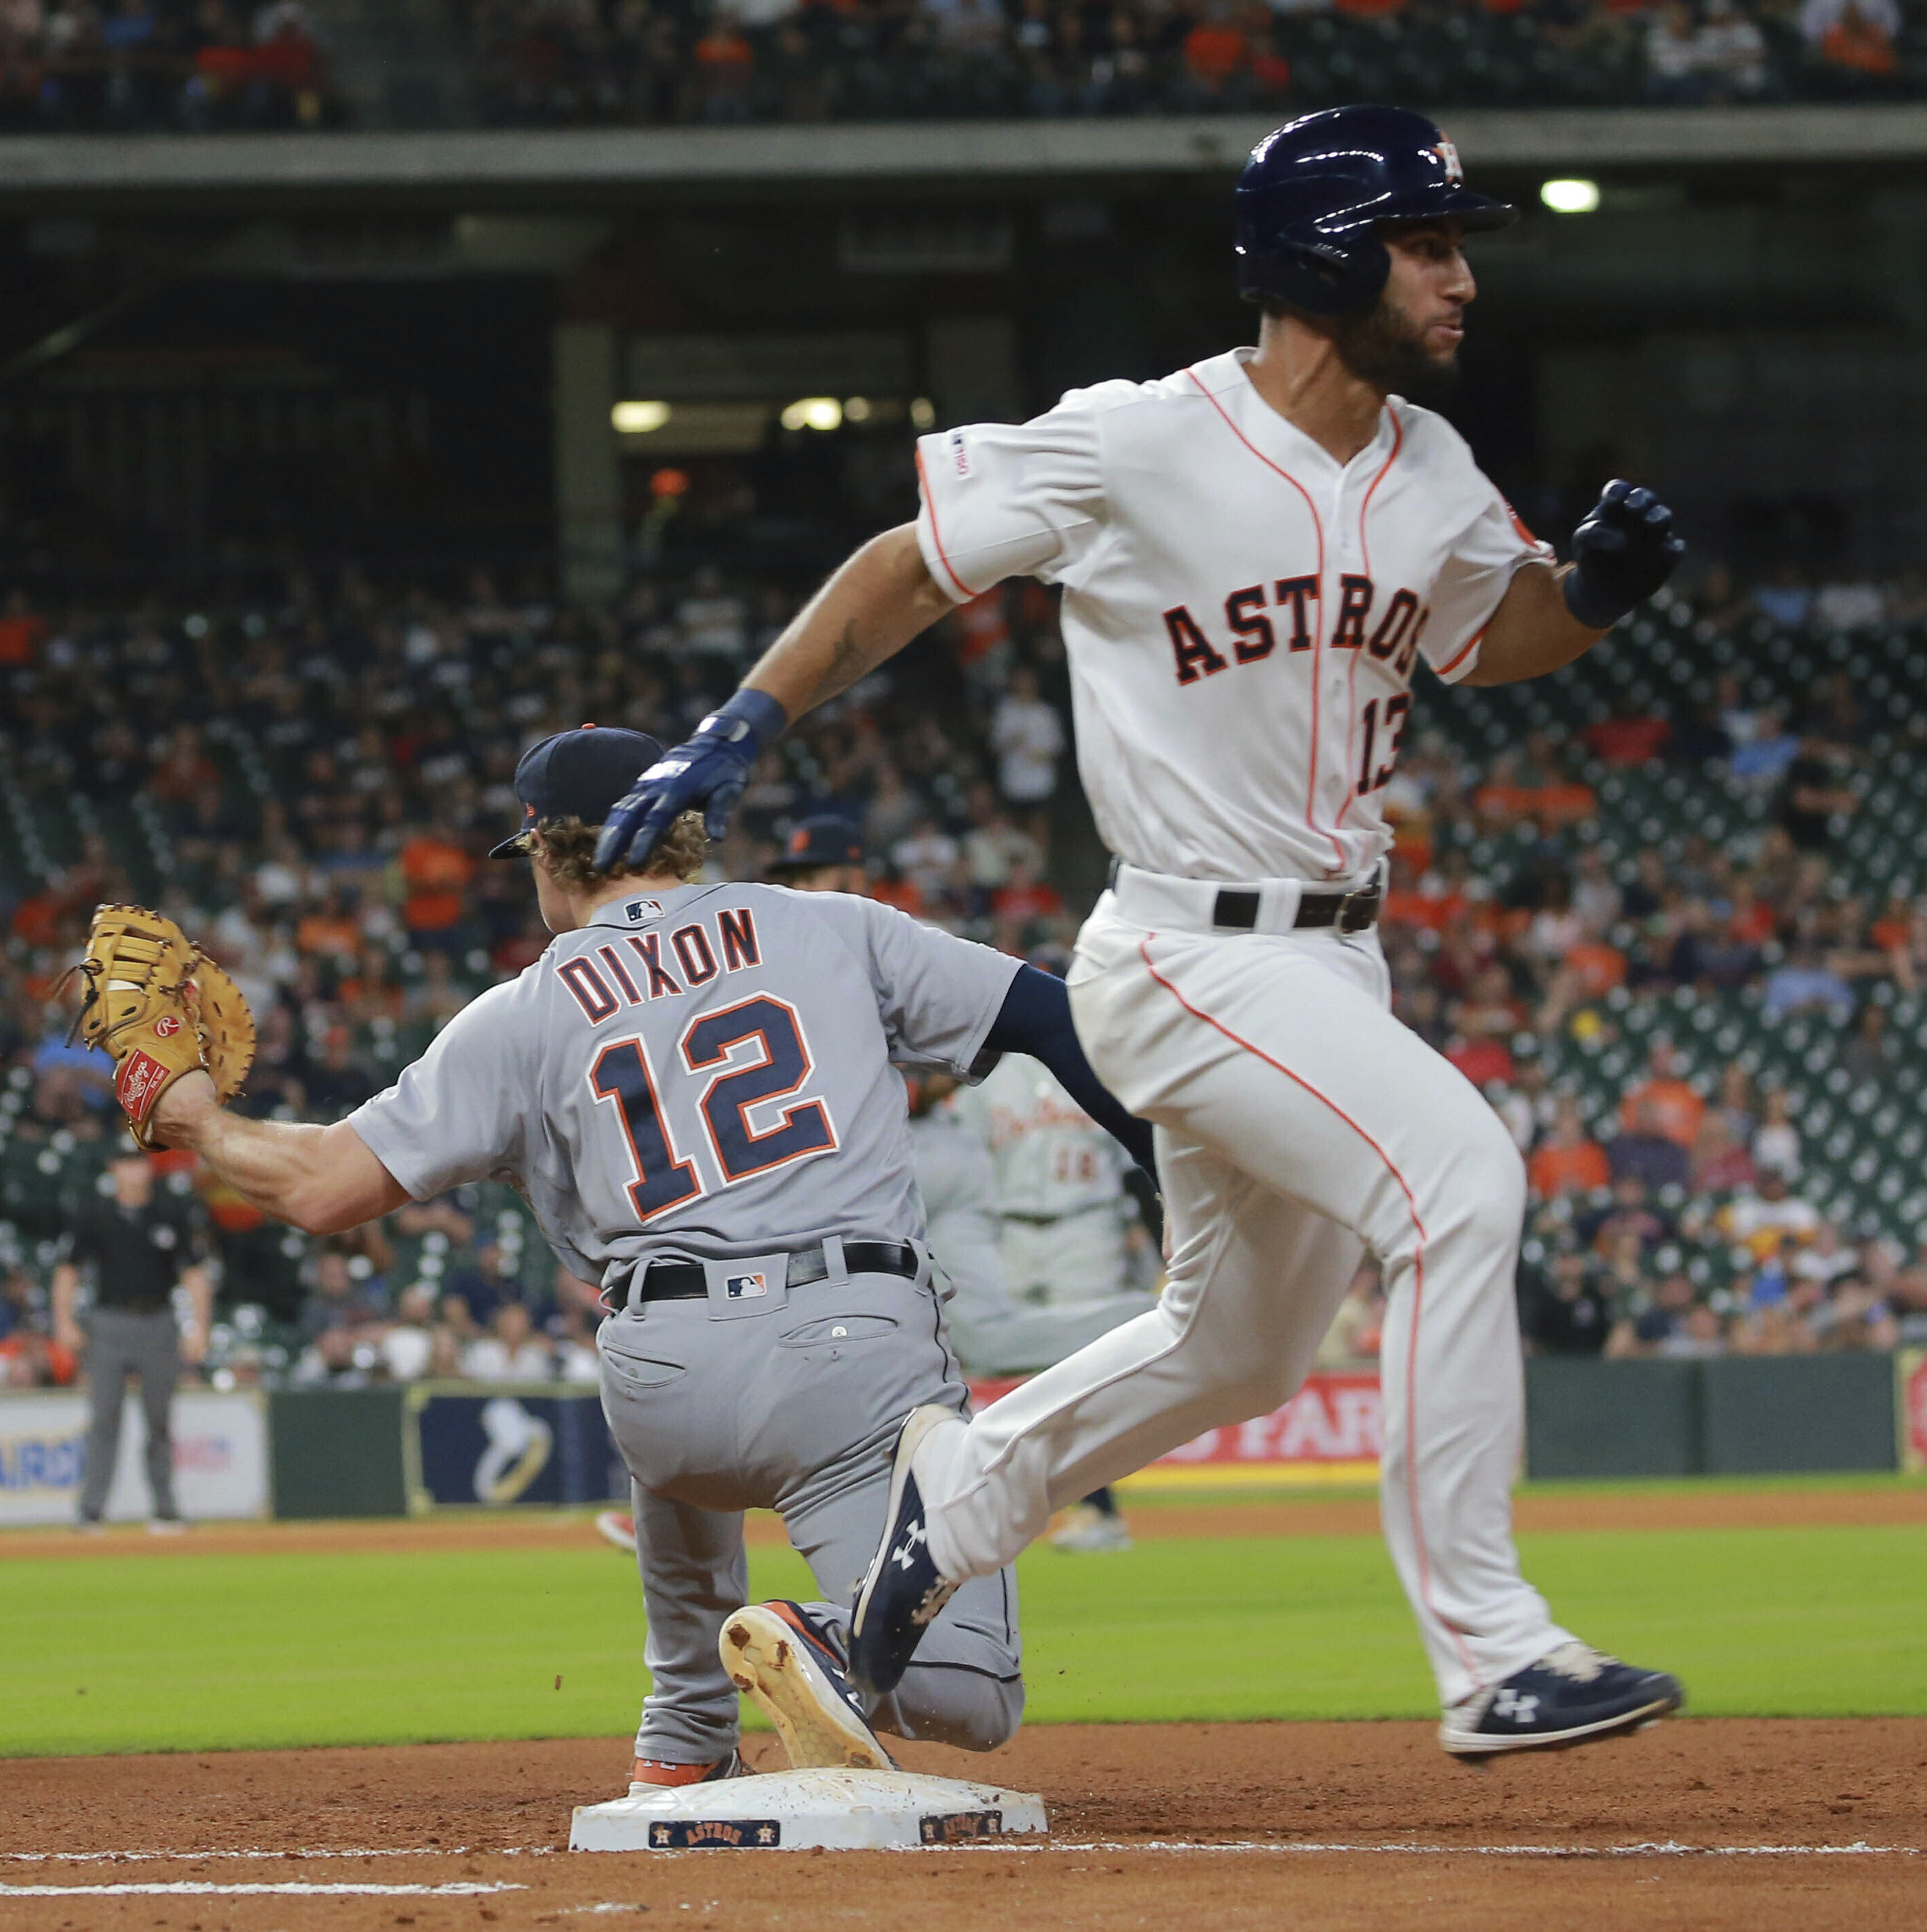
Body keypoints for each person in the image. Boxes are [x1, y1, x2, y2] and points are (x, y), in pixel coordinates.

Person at [596, 107, 1688, 1760]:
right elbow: (913, 562)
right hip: (1185, 950)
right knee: (1458, 1176)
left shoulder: (1433, 468)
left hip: (1330, 956)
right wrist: (739, 723)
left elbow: (1492, 632)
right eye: (1428, 241)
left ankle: (939, 1513)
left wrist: (1588, 596)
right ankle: (1492, 1648)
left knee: (1232, 1347)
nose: (1462, 276)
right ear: (1327, 255)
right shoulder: (1133, 440)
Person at [137, 725, 1149, 1795]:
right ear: (687, 829)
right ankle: (820, 1641)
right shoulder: (825, 927)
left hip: (661, 1377)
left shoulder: (519, 1013)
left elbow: (318, 1187)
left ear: (546, 851)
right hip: (848, 1347)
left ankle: (682, 1742)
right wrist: (1168, 1175)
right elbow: (1059, 1021)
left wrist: (192, 1114)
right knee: (971, 1691)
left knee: (662, 1366)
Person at [927, 1055, 1156, 1552]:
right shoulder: (989, 1081)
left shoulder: (1096, 1066)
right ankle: (1038, 1497)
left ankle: (1097, 1507)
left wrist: (1152, 1240)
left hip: (1086, 1226)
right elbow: (960, 1155)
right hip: (1007, 1228)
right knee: (1016, 1362)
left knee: (1083, 1368)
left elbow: (1136, 1163)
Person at [51, 1152, 214, 1532]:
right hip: (109, 1320)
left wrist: (200, 1327)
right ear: (113, 1169)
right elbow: (67, 1270)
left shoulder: (169, 1213)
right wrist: (64, 1322)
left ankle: (165, 1508)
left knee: (159, 1419)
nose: (134, 1170)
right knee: (104, 1417)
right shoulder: (94, 1214)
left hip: (158, 1319)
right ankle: (91, 1510)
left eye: (140, 1162)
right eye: (125, 1162)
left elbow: (193, 1273)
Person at [765, 814, 868, 895]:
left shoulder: (881, 919)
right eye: (792, 880)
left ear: (856, 879)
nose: (799, 888)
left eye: (810, 878)